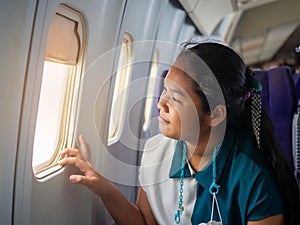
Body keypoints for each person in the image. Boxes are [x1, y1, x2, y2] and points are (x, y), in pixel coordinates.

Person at [58, 42, 300, 225]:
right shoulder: (156, 151)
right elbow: (145, 222)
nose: (160, 104)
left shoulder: (256, 183)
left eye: (175, 98)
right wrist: (102, 187)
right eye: (164, 91)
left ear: (214, 115)